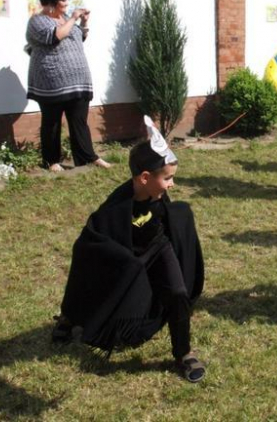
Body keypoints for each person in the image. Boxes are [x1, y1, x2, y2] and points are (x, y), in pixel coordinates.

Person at [51, 117, 205, 382]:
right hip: (122, 255)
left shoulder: (156, 193)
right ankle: (68, 318)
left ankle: (184, 353)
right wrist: (123, 260)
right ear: (144, 178)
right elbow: (89, 249)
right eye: (168, 179)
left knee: (177, 293)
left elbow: (165, 215)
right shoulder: (113, 209)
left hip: (157, 247)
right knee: (93, 285)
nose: (172, 185)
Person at [26, 0, 111, 172]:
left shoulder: (64, 18)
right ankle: (51, 161)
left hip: (78, 80)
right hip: (51, 82)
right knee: (52, 123)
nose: (66, 6)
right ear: (49, 4)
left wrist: (84, 23)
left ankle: (88, 158)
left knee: (79, 121)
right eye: (62, 3)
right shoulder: (37, 22)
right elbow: (55, 37)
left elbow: (78, 37)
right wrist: (73, 18)